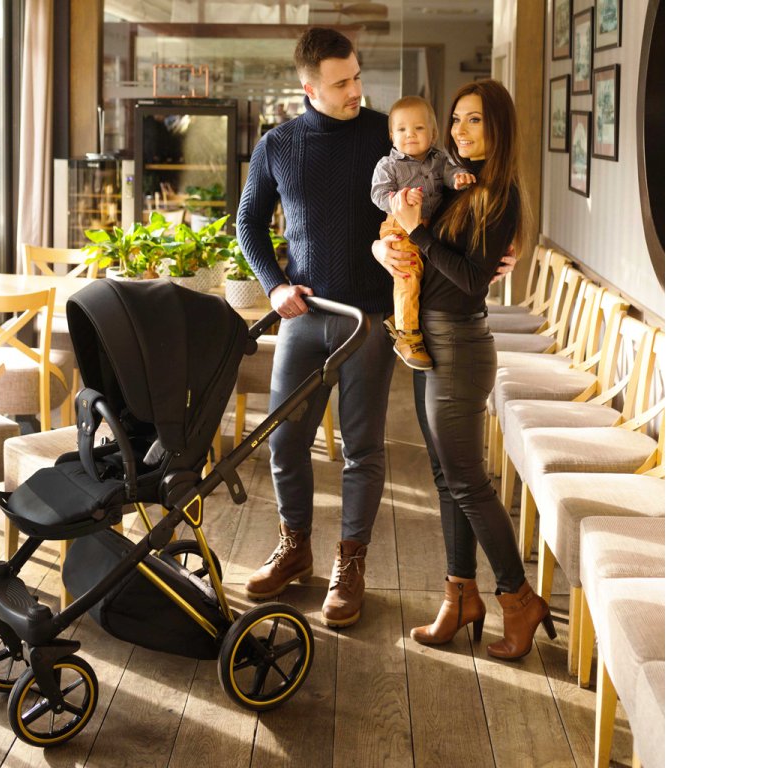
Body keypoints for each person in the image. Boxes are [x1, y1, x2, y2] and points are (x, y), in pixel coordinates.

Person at [237, 29, 515, 629]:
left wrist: (500, 247)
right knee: (284, 440)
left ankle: (350, 563)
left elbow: (446, 199)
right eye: (341, 83)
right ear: (308, 88)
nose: (355, 90)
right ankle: (294, 546)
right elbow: (248, 222)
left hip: (369, 320)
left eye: (358, 76)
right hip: (305, 312)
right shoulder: (277, 144)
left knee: (361, 449)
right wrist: (274, 285)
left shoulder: (386, 134)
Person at [372, 79, 555, 660]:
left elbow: (473, 281)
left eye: (473, 120)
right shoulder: (457, 183)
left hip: (459, 345)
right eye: (455, 119)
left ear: (498, 127)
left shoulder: (500, 195)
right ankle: (460, 596)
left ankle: (519, 599)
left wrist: (419, 233)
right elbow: (413, 243)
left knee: (469, 482)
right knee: (447, 477)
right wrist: (386, 245)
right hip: (429, 340)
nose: (459, 130)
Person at [370, 95, 475, 371]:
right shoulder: (388, 165)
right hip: (400, 227)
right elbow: (378, 194)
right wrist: (399, 199)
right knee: (408, 274)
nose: (410, 135)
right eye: (402, 129)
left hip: (431, 228)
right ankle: (407, 335)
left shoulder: (439, 160)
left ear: (433, 134)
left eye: (419, 128)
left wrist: (459, 177)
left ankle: (399, 318)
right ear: (392, 136)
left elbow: (451, 174)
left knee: (430, 279)